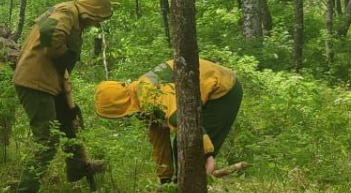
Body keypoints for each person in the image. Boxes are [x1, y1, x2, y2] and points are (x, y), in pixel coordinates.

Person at [12, 0, 114, 193]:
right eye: (97, 20)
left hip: (49, 82)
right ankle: (26, 192)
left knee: (69, 123)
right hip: (35, 82)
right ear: (91, 13)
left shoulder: (73, 15)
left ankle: (77, 167)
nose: (95, 24)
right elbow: (51, 33)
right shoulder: (68, 12)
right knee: (47, 139)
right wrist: (61, 55)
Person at [94, 58, 243, 183]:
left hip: (223, 89)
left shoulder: (146, 92)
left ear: (117, 105)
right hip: (208, 92)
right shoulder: (142, 104)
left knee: (185, 146)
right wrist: (164, 179)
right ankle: (181, 192)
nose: (123, 117)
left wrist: (204, 153)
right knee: (182, 146)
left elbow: (177, 117)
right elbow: (160, 142)